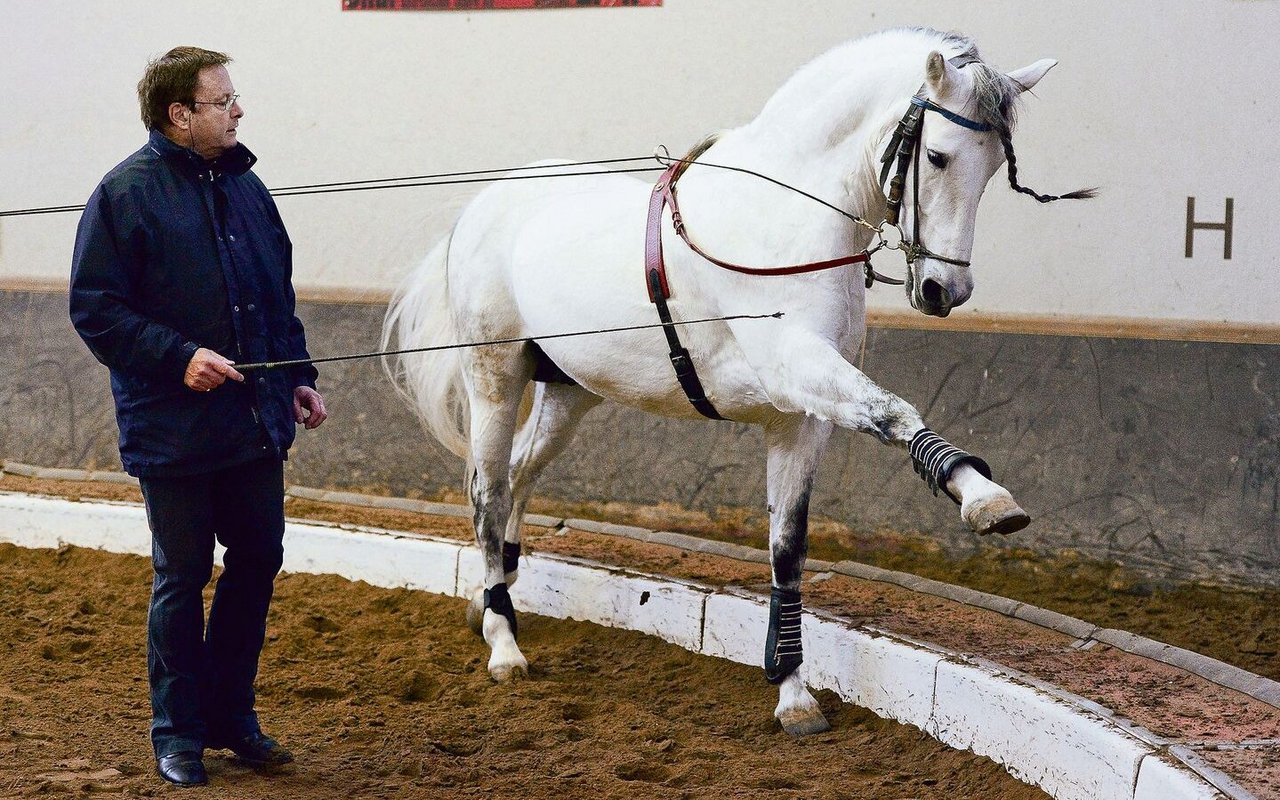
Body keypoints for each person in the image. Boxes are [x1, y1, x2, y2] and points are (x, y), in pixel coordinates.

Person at [69, 47, 328, 788]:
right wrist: (177, 355)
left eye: (234, 99)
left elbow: (275, 297)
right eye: (223, 101)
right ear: (179, 115)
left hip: (253, 424)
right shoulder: (123, 195)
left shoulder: (248, 188)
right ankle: (176, 731)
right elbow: (95, 311)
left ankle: (232, 717)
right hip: (172, 429)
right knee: (182, 576)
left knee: (256, 564)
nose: (237, 110)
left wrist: (297, 379)